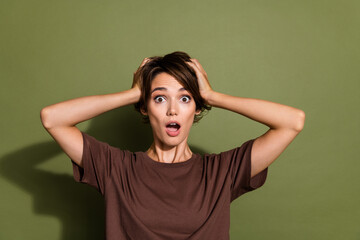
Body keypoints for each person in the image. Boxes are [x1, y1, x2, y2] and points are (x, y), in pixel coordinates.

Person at [40, 51, 305, 239]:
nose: (172, 110)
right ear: (145, 108)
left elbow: (293, 121)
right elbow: (53, 119)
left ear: (196, 108)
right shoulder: (115, 168)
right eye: (159, 99)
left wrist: (213, 95)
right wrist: (133, 93)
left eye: (185, 99)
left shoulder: (222, 172)